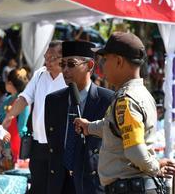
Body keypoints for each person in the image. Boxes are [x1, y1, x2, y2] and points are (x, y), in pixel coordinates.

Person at [75, 32, 175, 194]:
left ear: (119, 61)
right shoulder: (142, 94)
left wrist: (155, 167)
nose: (103, 66)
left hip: (128, 188)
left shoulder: (126, 100)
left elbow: (135, 150)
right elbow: (115, 128)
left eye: (106, 60)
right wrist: (89, 127)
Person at [45, 41, 114, 194]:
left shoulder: (108, 100)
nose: (65, 70)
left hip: (92, 182)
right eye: (62, 64)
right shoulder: (53, 100)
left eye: (71, 64)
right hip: (59, 183)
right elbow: (52, 142)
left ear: (90, 65)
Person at [2, 40, 67, 194]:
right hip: (38, 143)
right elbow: (24, 98)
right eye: (46, 57)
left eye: (52, 58)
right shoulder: (39, 74)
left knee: (58, 187)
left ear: (63, 58)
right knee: (38, 186)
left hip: (59, 144)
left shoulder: (68, 78)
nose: (47, 62)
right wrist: (9, 117)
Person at [0, 68, 30, 170]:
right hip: (5, 141)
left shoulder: (23, 100)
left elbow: (21, 125)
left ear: (10, 83)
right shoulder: (8, 99)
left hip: (17, 144)